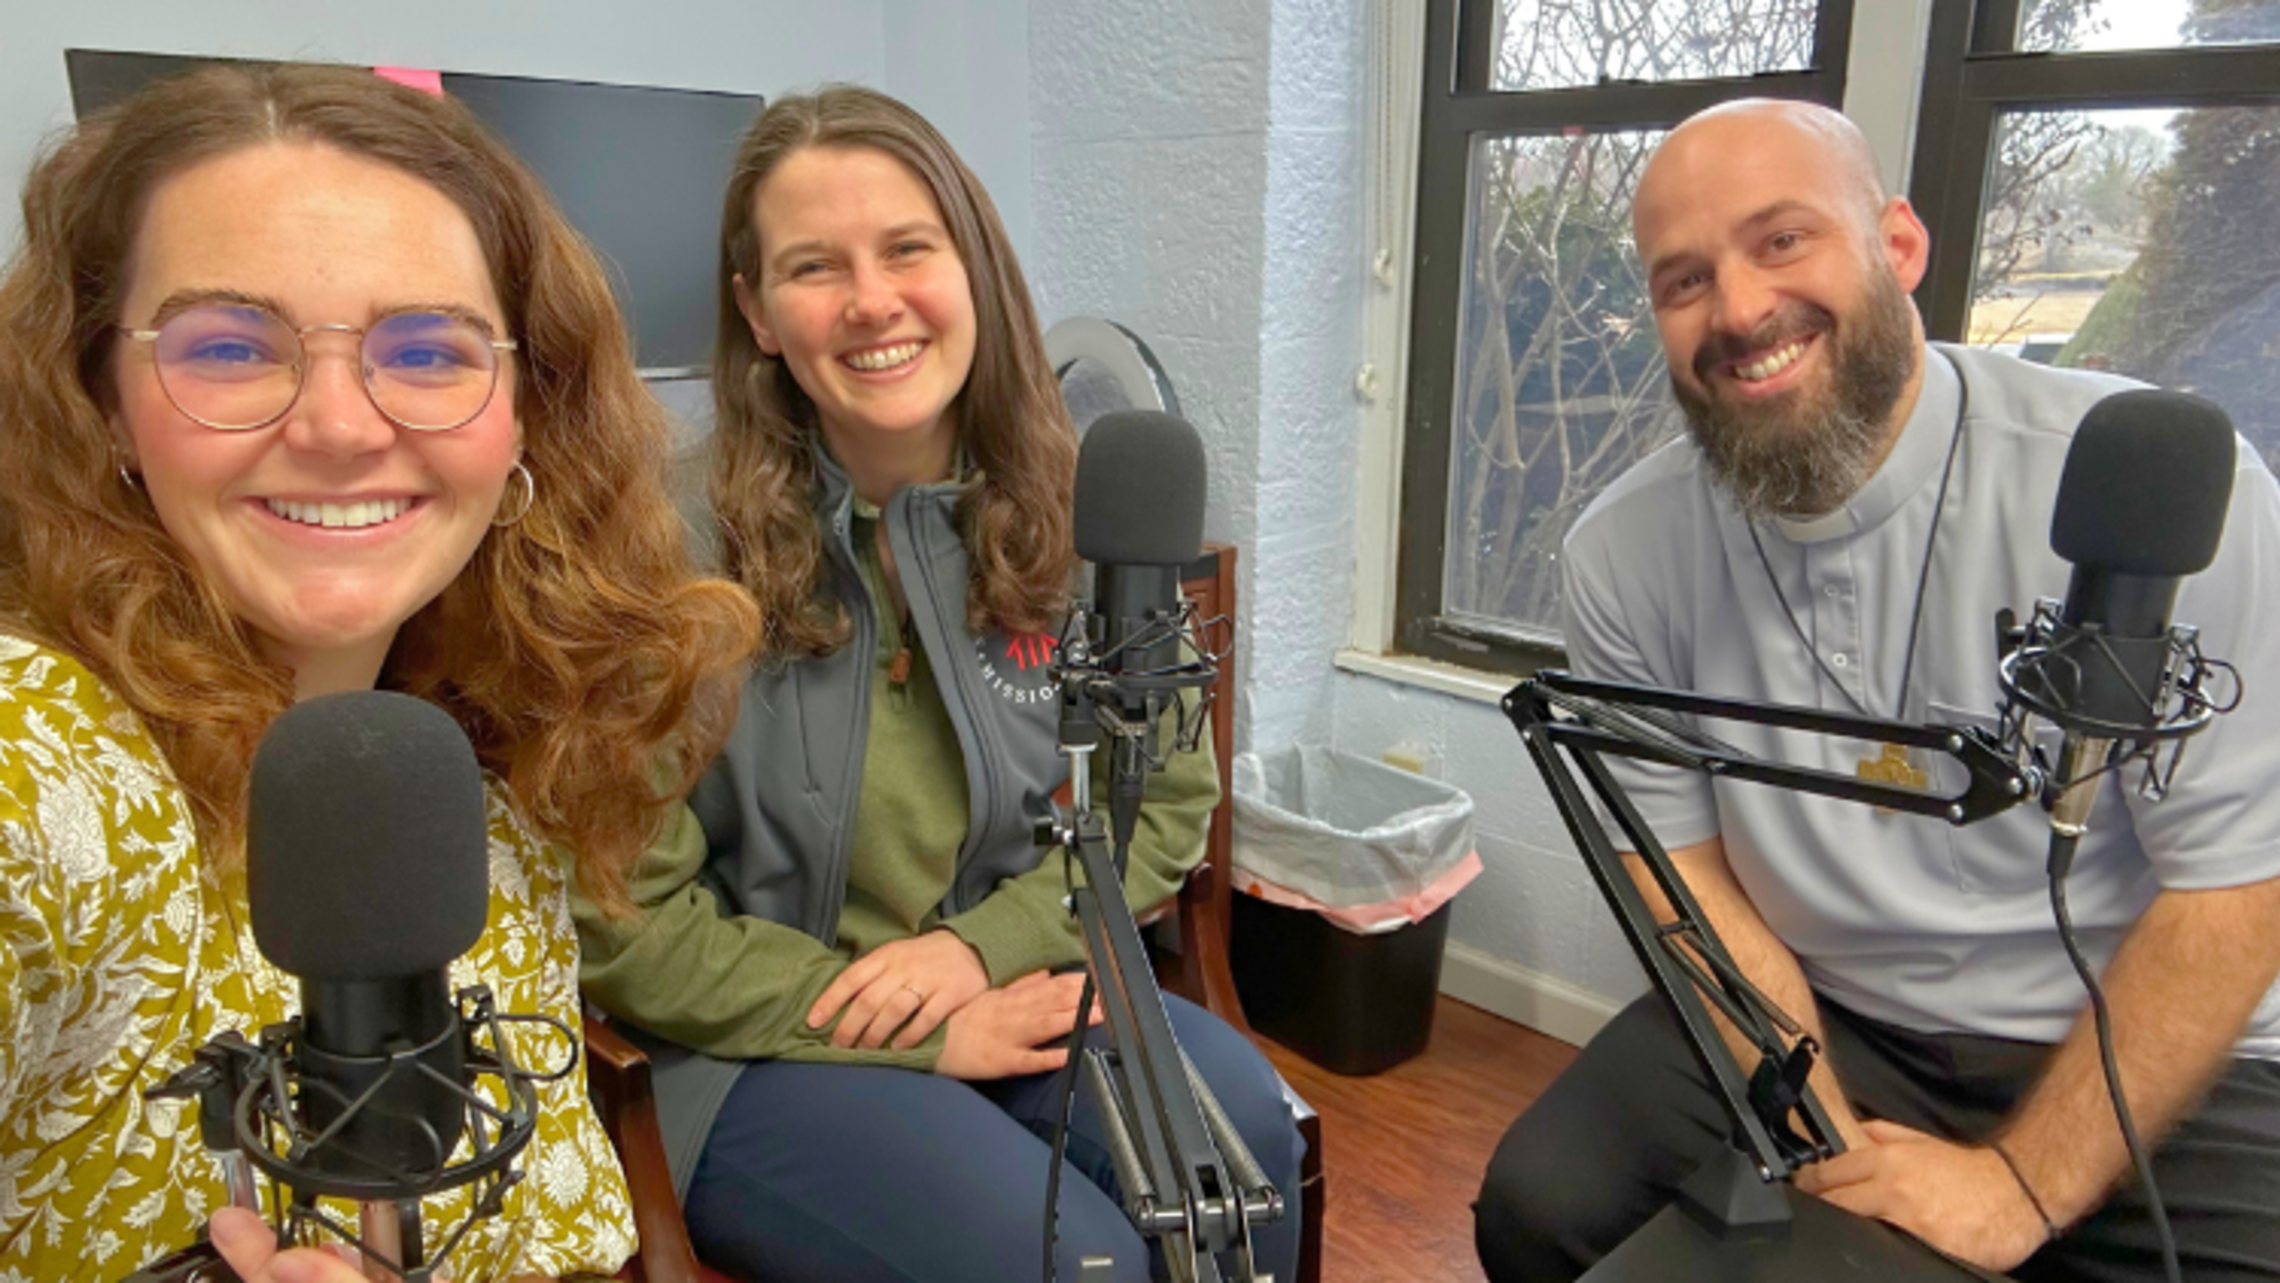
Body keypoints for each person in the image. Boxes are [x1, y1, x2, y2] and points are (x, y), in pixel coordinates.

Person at [1473, 99, 2280, 1282]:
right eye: (1684, 280)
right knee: (1541, 1205)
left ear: (1898, 245)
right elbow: (1680, 871)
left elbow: (2239, 883)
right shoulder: (1624, 550)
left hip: (2128, 1025)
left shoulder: (2156, 497)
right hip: (1831, 1012)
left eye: (1783, 240)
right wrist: (1817, 1125)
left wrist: (2021, 1184)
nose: (1738, 309)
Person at [0, 64, 759, 1282]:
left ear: (527, 410)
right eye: (231, 345)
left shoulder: (484, 778)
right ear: (103, 403)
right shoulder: (36, 772)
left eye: (427, 351)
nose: (342, 426)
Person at [572, 84, 1306, 1283]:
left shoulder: (1086, 515)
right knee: (1072, 1264)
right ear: (757, 312)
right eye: (815, 266)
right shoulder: (662, 555)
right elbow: (622, 918)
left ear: (975, 267)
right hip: (759, 1040)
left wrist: (978, 951)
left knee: (1241, 1155)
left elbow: (1163, 801)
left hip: (1014, 973)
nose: (872, 300)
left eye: (909, 248)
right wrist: (923, 1028)